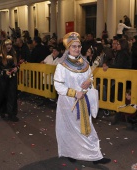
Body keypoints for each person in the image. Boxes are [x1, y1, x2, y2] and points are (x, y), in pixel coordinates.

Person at [53, 32, 111, 164]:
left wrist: (89, 82)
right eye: (74, 47)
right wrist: (74, 93)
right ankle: (71, 152)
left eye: (78, 46)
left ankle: (95, 155)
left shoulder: (84, 62)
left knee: (87, 126)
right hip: (68, 103)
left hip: (84, 101)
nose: (77, 49)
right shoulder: (62, 65)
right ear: (68, 48)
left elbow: (90, 76)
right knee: (71, 129)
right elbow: (58, 85)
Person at [0, 39, 19, 122]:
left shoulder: (13, 54)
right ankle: (3, 111)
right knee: (2, 96)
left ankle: (12, 114)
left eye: (10, 44)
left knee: (12, 95)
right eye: (7, 45)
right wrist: (3, 73)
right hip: (1, 79)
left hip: (12, 78)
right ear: (3, 46)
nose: (9, 46)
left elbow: (16, 65)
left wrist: (16, 68)